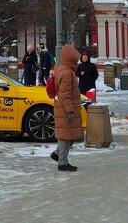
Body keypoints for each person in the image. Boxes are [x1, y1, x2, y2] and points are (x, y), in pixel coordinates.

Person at [51, 43, 84, 171]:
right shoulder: (66, 73)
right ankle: (62, 163)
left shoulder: (64, 70)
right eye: (75, 60)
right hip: (65, 109)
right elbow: (65, 94)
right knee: (66, 137)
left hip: (63, 108)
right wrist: (69, 110)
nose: (77, 62)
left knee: (69, 135)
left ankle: (58, 154)